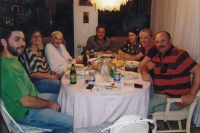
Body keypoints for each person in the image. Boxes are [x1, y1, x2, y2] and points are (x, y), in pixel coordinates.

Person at [0, 27, 73, 133]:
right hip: (25, 113)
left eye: (23, 39)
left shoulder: (12, 59)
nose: (22, 44)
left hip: (33, 97)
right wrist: (50, 104)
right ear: (3, 42)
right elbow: (25, 101)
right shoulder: (9, 69)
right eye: (17, 40)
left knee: (66, 99)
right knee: (71, 123)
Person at [140, 31, 200, 116]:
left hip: (172, 100)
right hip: (159, 93)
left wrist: (191, 94)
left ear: (170, 40)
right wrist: (145, 72)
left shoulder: (179, 55)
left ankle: (147, 125)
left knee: (141, 107)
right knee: (138, 95)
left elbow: (198, 70)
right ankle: (154, 122)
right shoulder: (159, 55)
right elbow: (144, 66)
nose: (160, 44)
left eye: (163, 40)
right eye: (157, 42)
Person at [18, 28, 61, 94]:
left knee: (66, 78)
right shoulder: (27, 52)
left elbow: (42, 69)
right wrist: (50, 76)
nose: (37, 38)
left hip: (45, 79)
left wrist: (51, 72)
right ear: (29, 39)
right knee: (61, 85)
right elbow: (32, 74)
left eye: (39, 36)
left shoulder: (40, 52)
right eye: (34, 36)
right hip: (36, 82)